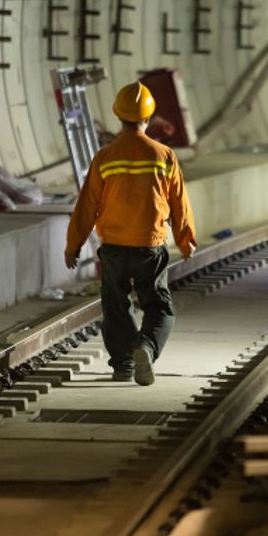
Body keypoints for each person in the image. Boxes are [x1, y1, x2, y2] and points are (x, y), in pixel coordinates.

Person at [64, 81, 197, 386]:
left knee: (115, 305)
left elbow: (86, 206)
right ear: (148, 118)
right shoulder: (163, 155)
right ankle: (146, 348)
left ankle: (123, 365)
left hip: (113, 247)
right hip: (149, 246)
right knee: (159, 307)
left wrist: (73, 246)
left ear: (118, 116)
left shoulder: (105, 157)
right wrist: (185, 240)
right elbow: (179, 203)